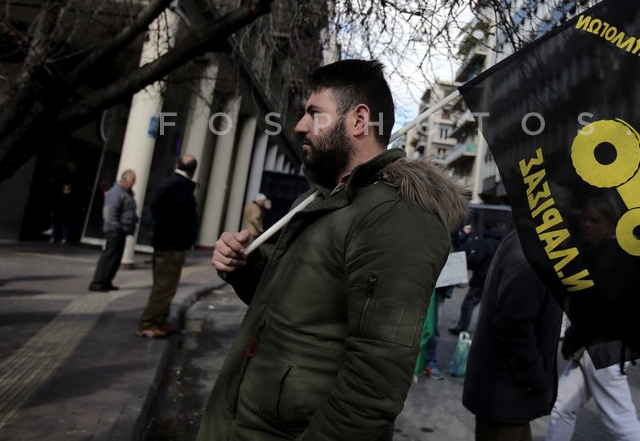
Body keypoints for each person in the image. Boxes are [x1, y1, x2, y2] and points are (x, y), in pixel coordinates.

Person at [199, 59, 466, 440]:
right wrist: (244, 267)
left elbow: (373, 385)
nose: (299, 125)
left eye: (314, 113)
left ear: (358, 121)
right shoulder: (322, 201)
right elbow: (297, 309)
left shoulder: (397, 218)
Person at [546, 198, 640, 441]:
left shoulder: (610, 254)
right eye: (585, 218)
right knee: (561, 407)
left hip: (602, 349)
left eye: (595, 220)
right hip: (592, 349)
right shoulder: (601, 251)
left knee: (622, 423)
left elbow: (600, 309)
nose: (587, 224)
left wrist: (573, 337)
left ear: (612, 225)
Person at [463, 229, 562, 441]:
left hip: (508, 396)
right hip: (505, 395)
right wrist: (535, 375)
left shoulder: (530, 240)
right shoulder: (532, 253)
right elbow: (512, 326)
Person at [136, 155, 199, 339]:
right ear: (193, 170)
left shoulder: (176, 184)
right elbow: (157, 209)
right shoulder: (176, 185)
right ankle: (148, 323)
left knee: (166, 286)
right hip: (171, 244)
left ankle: (160, 320)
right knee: (164, 287)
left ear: (177, 164)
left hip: (171, 243)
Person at [449, 222, 505, 335]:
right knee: (488, 307)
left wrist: (465, 261)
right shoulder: (502, 244)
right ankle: (486, 330)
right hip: (496, 280)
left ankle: (462, 327)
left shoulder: (486, 243)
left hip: (481, 279)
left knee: (469, 303)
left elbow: (477, 258)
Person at [89, 169, 138, 292]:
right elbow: (109, 212)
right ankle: (98, 282)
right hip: (114, 231)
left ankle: (107, 281)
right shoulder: (116, 192)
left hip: (122, 231)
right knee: (108, 256)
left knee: (116, 258)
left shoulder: (127, 193)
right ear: (125, 179)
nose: (133, 183)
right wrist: (116, 228)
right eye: (132, 180)